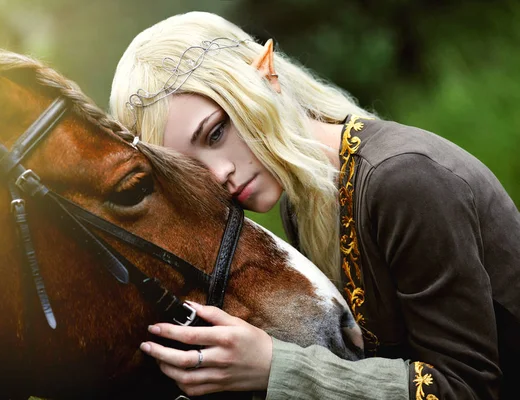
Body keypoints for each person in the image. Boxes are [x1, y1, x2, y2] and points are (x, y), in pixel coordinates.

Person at [109, 11, 520, 400]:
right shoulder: (303, 206)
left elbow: (468, 389)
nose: (218, 175)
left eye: (216, 133)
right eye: (191, 168)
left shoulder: (402, 179)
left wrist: (274, 368)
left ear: (266, 75)